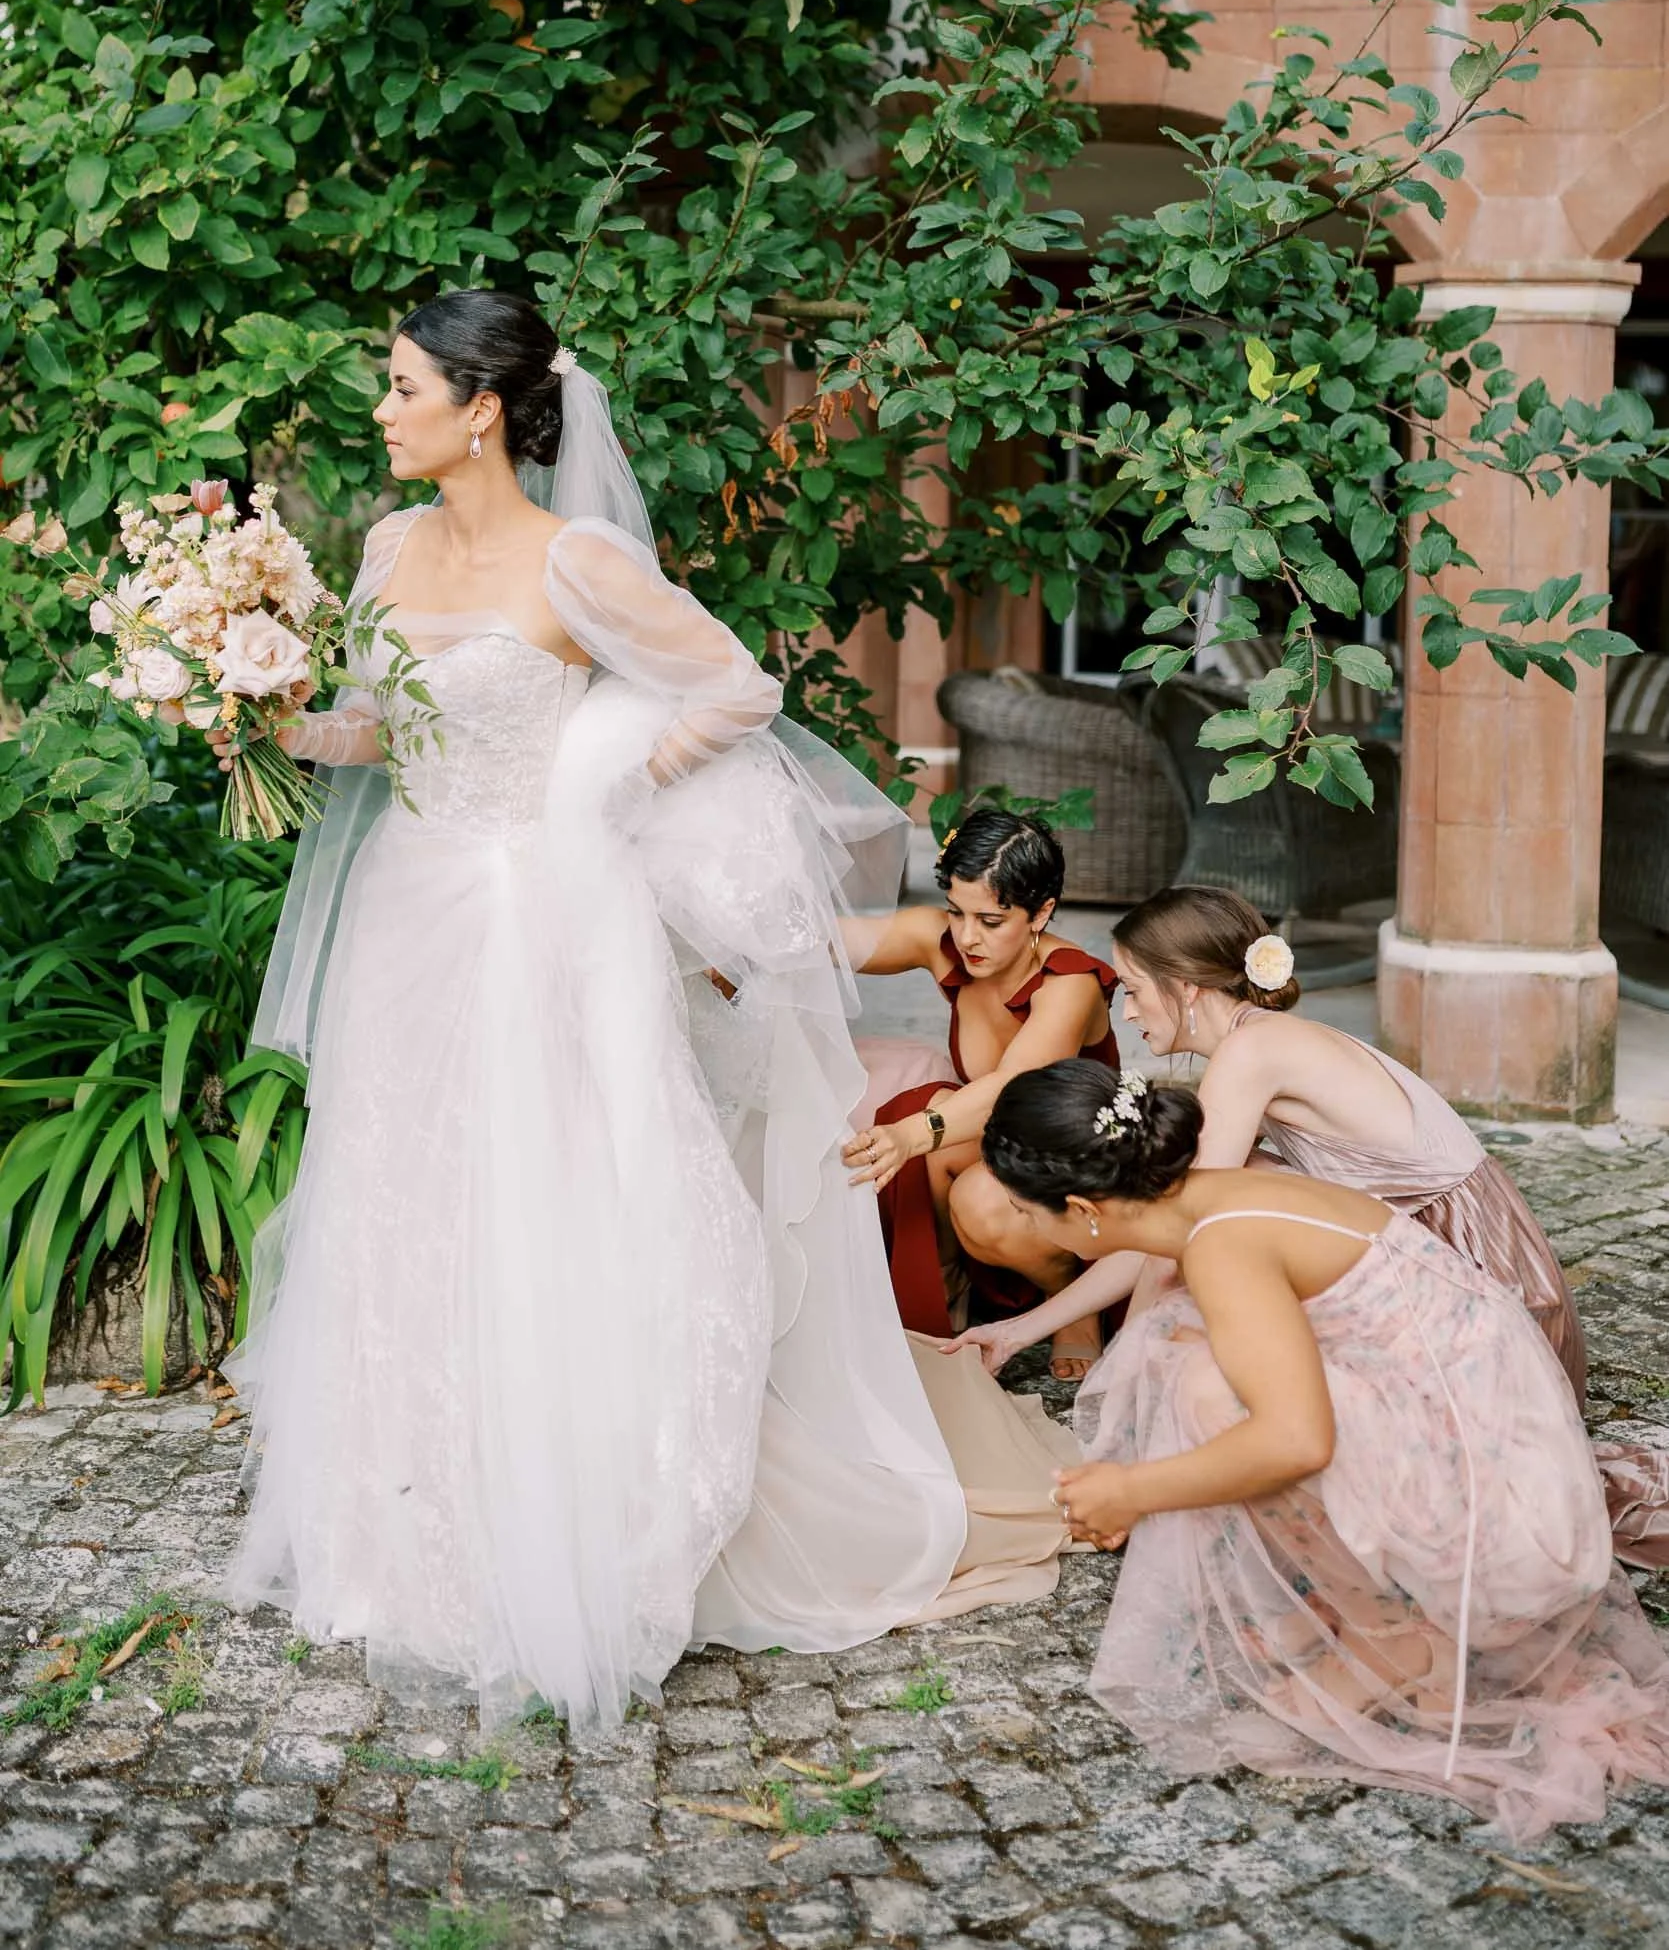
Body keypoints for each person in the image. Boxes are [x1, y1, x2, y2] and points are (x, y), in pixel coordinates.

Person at [217, 291, 1075, 1730]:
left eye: (402, 385)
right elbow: (379, 725)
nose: (384, 408)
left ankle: (575, 1533)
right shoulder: (384, 548)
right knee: (409, 1196)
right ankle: (405, 1536)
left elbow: (736, 686)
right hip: (414, 914)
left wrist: (613, 778)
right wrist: (257, 712)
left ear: (481, 407)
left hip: (548, 924)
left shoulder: (579, 563)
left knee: (552, 1199)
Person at [979, 1061, 1669, 1841]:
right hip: (1475, 1427)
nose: (1026, 1229)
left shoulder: (1222, 1245)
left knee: (1209, 1390)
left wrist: (1134, 1490)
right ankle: (1368, 1606)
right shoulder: (1216, 1197)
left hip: (1498, 1507)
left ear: (1078, 1209)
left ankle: (1408, 1641)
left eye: (1022, 1211)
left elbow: (1295, 1440)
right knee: (1182, 1352)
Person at [953, 883, 1669, 1569]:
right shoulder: (1259, 1044)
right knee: (1233, 1236)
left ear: (1188, 988)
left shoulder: (1250, 1054)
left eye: (1133, 989)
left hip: (1480, 1278)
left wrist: (1121, 1406)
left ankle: (1230, 1463)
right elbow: (1159, 1223)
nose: (1128, 1012)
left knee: (1200, 1316)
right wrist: (1024, 1331)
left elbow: (1164, 1239)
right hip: (1448, 1268)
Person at [840, 809, 1120, 1377]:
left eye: (991, 920)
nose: (967, 937)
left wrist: (911, 1133)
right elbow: (824, 941)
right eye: (956, 912)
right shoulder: (941, 940)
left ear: (1041, 912)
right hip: (993, 1144)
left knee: (970, 1184)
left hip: (1070, 1154)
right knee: (927, 1120)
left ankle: (1074, 1297)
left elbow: (1011, 1090)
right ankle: (943, 1292)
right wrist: (740, 949)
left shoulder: (1071, 983)